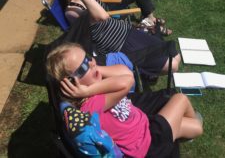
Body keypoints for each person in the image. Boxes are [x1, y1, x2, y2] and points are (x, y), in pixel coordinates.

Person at [46, 43, 203, 158]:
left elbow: (126, 72)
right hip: (148, 144)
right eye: (83, 68)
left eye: (88, 58)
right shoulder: (90, 105)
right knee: (180, 98)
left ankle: (177, 132)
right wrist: (88, 90)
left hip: (144, 129)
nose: (92, 63)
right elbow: (127, 82)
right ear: (71, 83)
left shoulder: (96, 89)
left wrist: (94, 69)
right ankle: (173, 134)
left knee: (196, 127)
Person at [49, 0, 181, 75]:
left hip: (127, 31)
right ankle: (142, 69)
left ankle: (147, 70)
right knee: (173, 65)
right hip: (119, 45)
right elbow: (102, 16)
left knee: (174, 54)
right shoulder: (72, 10)